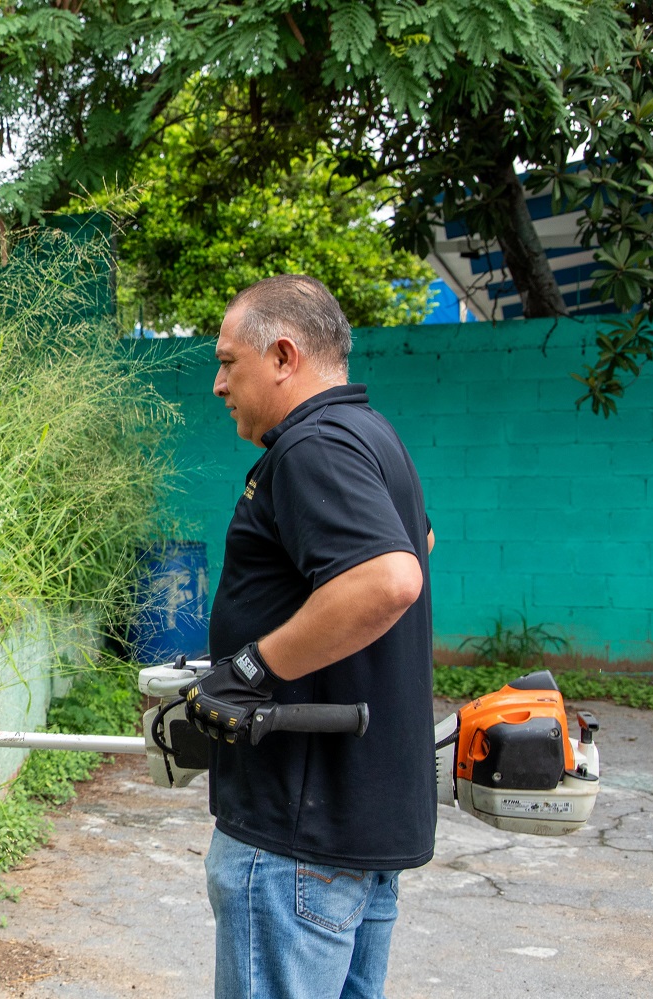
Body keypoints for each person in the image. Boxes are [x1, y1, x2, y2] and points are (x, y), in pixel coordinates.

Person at [186, 275, 436, 999]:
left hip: (296, 835)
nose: (218, 385)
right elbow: (419, 542)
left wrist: (250, 670)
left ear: (283, 356)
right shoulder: (372, 434)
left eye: (228, 362)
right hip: (355, 825)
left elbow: (389, 577)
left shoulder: (312, 446)